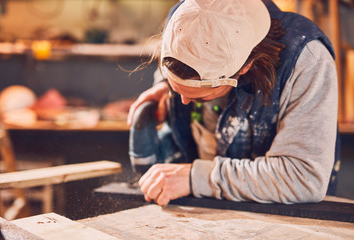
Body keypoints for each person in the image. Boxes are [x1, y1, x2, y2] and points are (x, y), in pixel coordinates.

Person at [127, 0, 339, 206]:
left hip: (281, 220)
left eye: (201, 96)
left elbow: (304, 178)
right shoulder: (187, 15)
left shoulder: (308, 59)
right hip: (197, 208)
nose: (184, 102)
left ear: (245, 66)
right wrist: (166, 88)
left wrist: (198, 178)